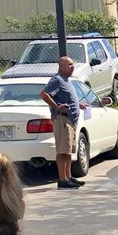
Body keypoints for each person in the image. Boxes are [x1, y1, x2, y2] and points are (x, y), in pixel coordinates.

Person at [40, 54, 84, 190]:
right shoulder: (57, 80)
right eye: (69, 65)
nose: (72, 67)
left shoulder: (66, 80)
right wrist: (57, 107)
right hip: (62, 119)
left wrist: (78, 104)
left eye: (72, 64)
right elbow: (44, 94)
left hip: (70, 120)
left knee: (68, 151)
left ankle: (68, 177)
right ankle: (62, 179)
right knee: (62, 151)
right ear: (61, 66)